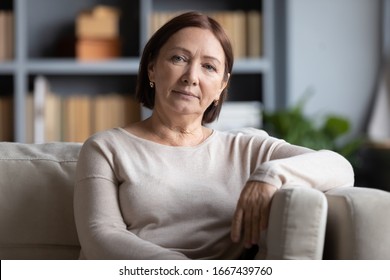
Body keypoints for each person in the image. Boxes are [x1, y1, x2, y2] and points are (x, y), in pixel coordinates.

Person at [74, 11, 354, 260]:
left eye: (209, 66)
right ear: (152, 68)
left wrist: (269, 176)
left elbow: (340, 167)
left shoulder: (246, 148)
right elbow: (101, 236)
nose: (191, 76)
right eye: (179, 58)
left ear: (222, 85)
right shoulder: (105, 147)